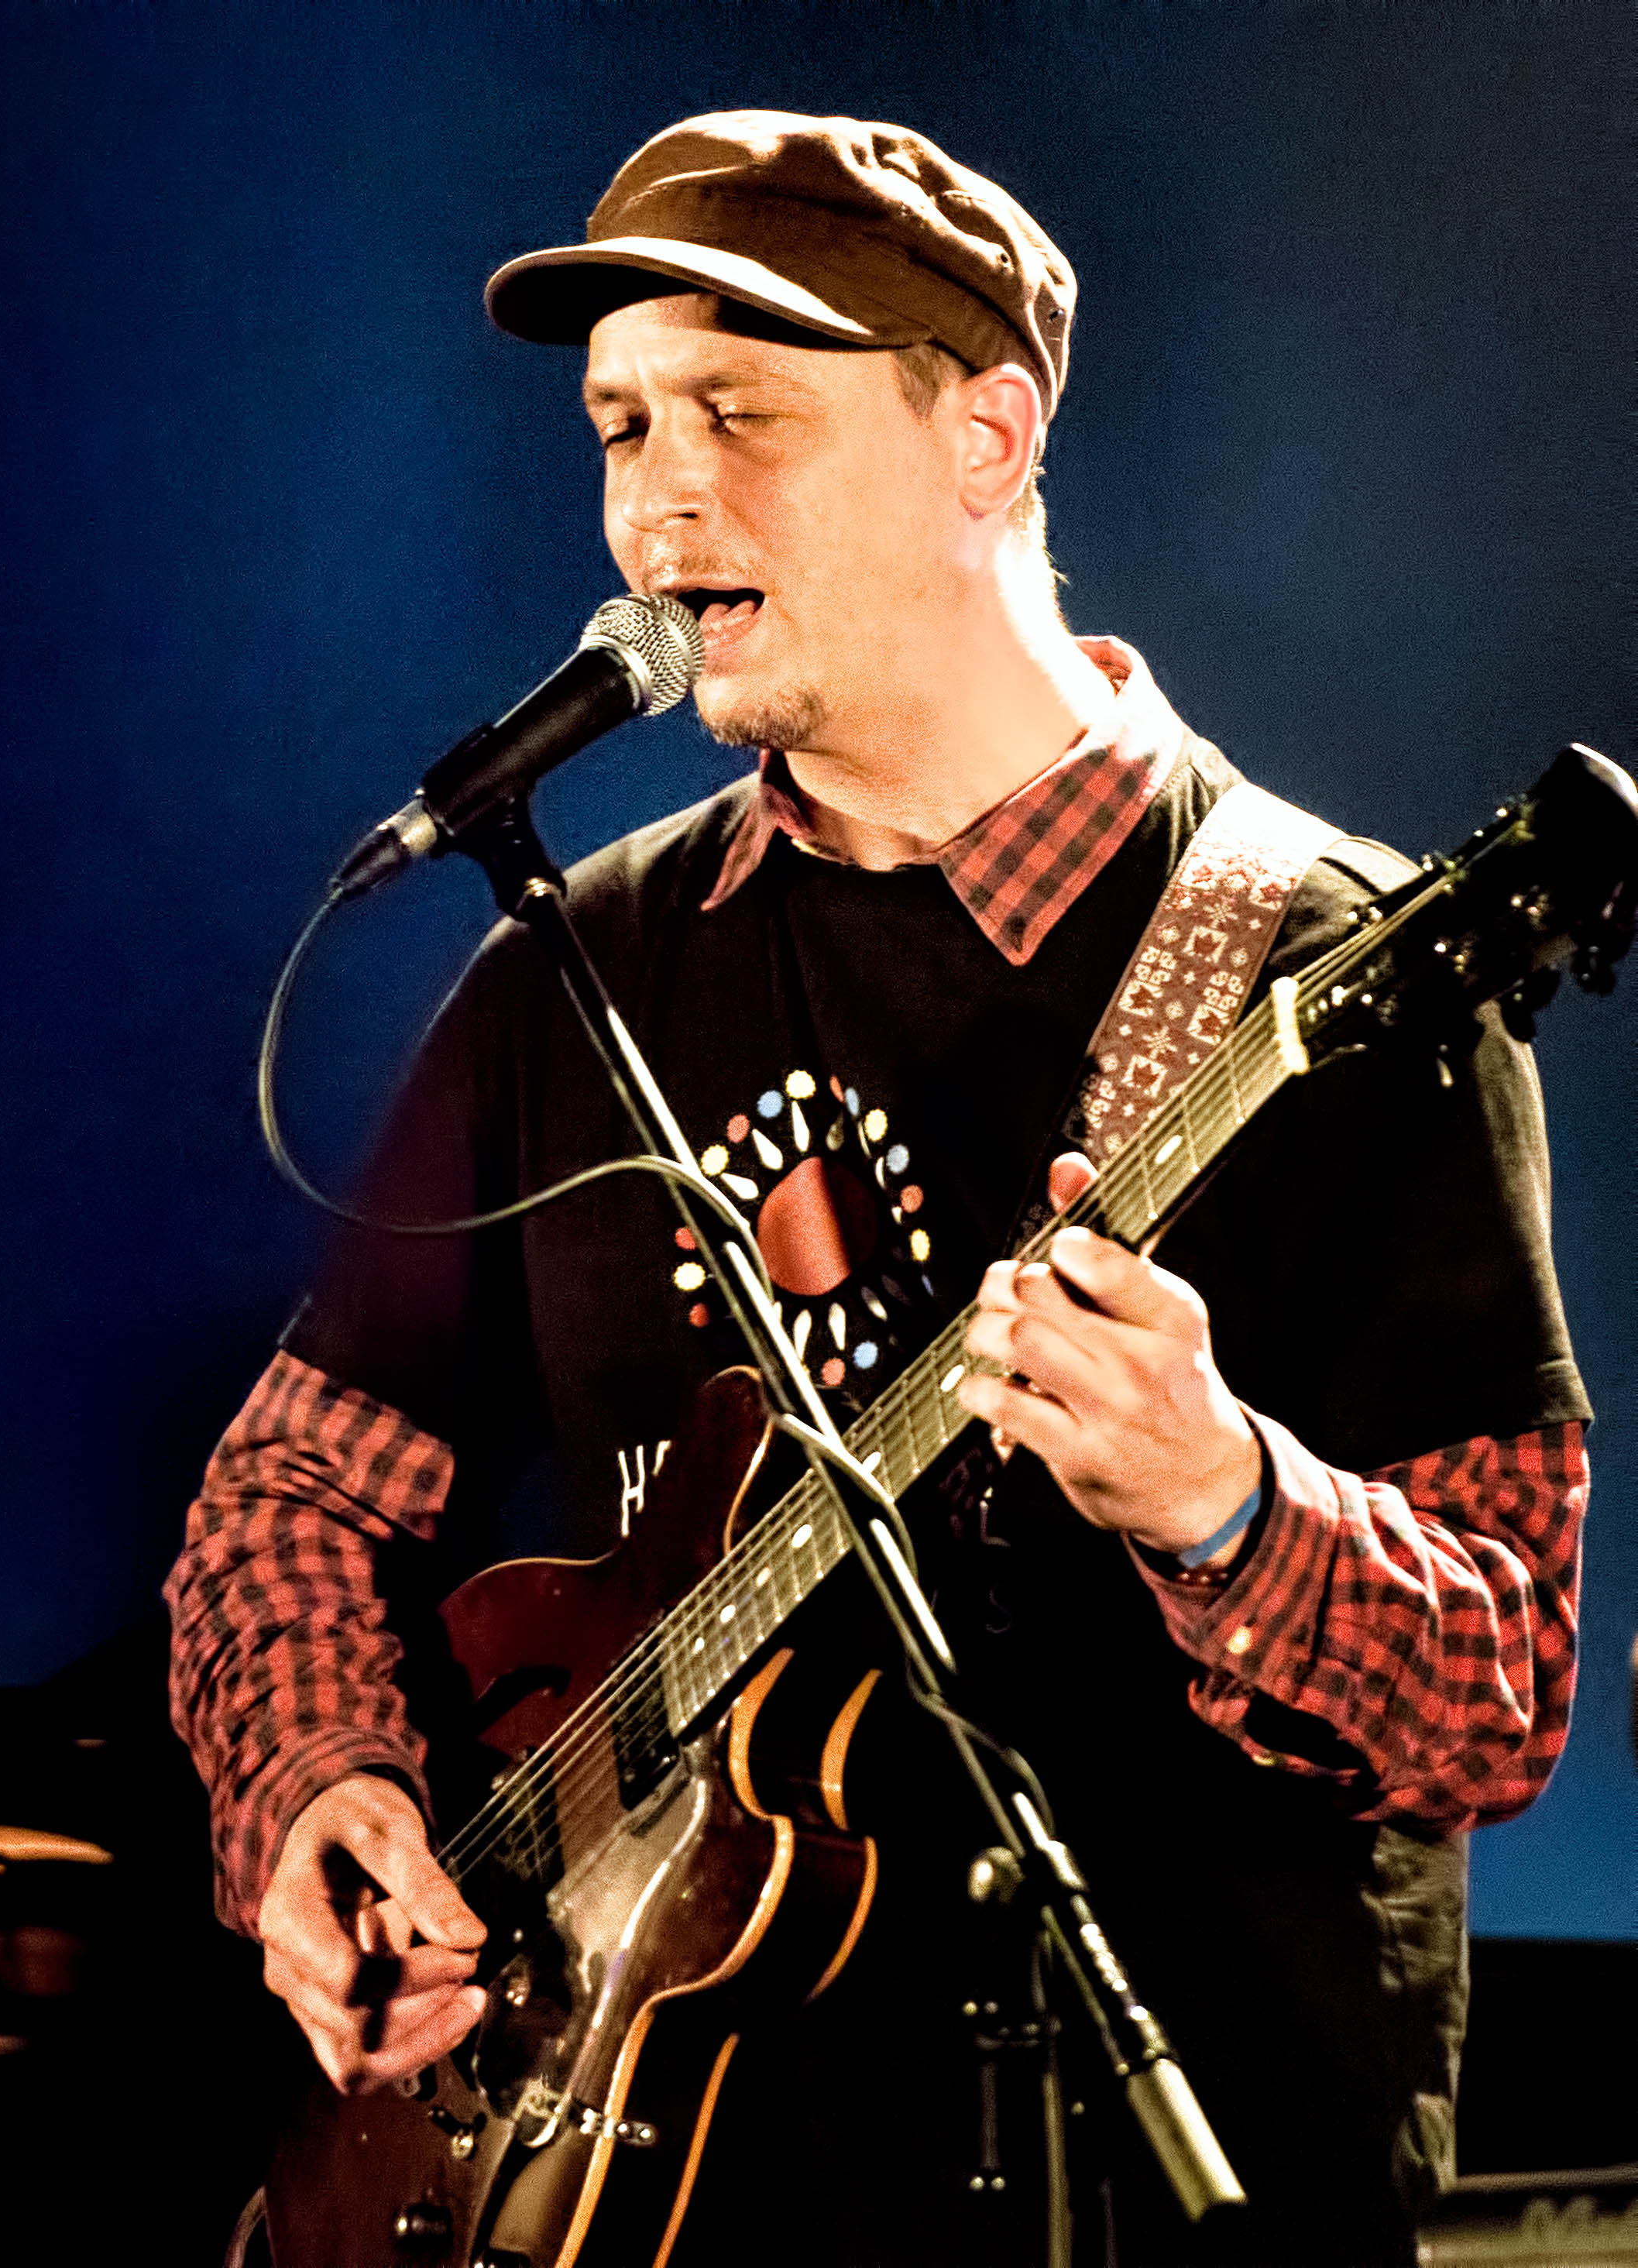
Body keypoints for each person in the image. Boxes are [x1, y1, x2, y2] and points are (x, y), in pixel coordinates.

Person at [165, 113, 1588, 2266]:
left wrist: (1227, 1504)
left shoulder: (1323, 971)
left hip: (1169, 2191)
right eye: (622, 425)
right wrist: (324, 1795)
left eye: (742, 416)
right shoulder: (572, 965)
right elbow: (290, 1496)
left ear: (987, 437)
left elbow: (1498, 1692)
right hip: (657, 2195)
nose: (660, 498)